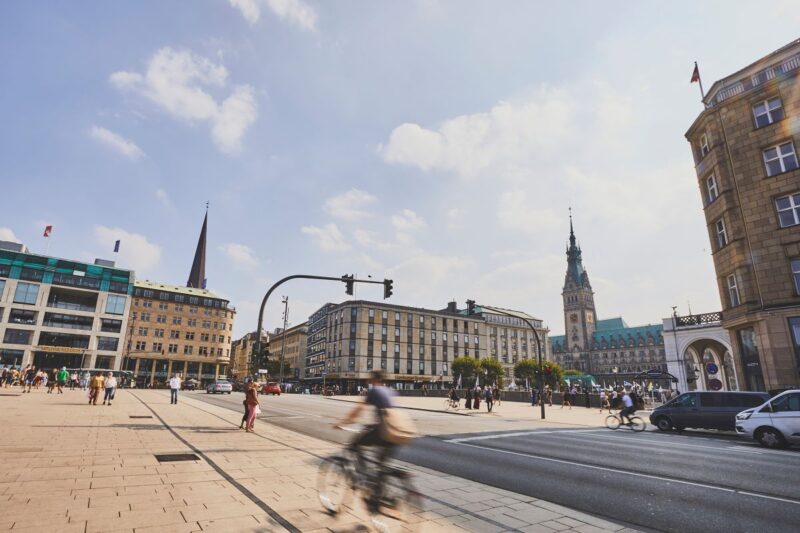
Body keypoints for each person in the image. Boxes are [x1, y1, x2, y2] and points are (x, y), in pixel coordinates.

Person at [334, 370, 399, 513]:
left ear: (374, 380)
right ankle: (383, 498)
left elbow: (357, 411)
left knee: (354, 445)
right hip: (396, 432)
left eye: (370, 379)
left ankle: (364, 483)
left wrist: (342, 422)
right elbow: (388, 412)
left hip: (383, 430)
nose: (369, 381)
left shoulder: (374, 391)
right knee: (381, 467)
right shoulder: (390, 391)